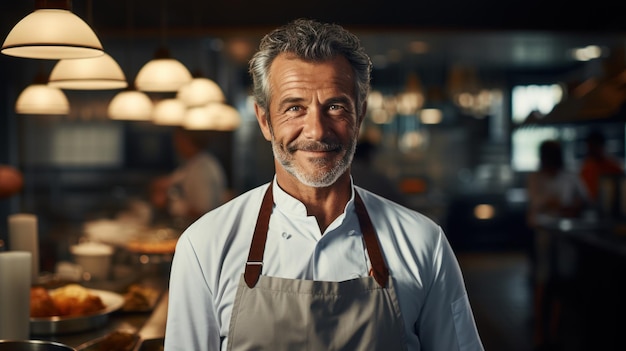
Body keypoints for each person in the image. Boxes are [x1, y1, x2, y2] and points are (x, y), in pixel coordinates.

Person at [165, 18, 484, 351]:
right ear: (264, 120)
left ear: (359, 117)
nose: (316, 131)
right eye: (294, 108)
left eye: (335, 106)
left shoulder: (423, 243)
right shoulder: (204, 246)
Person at [526, 139, 589, 350]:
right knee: (543, 282)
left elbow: (585, 199)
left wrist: (569, 206)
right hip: (543, 237)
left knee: (560, 284)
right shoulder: (537, 177)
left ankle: (553, 332)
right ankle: (540, 334)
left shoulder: (569, 176)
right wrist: (557, 204)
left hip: (564, 239)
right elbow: (538, 204)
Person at [150, 127, 228, 228]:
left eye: (178, 140)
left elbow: (204, 212)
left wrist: (173, 205)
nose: (175, 144)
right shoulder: (193, 163)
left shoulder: (202, 168)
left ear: (186, 140)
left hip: (205, 230)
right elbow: (166, 181)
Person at [579, 129, 624, 204]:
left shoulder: (613, 166)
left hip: (611, 207)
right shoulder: (586, 167)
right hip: (591, 208)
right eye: (589, 147)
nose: (590, 150)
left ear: (601, 146)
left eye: (593, 147)